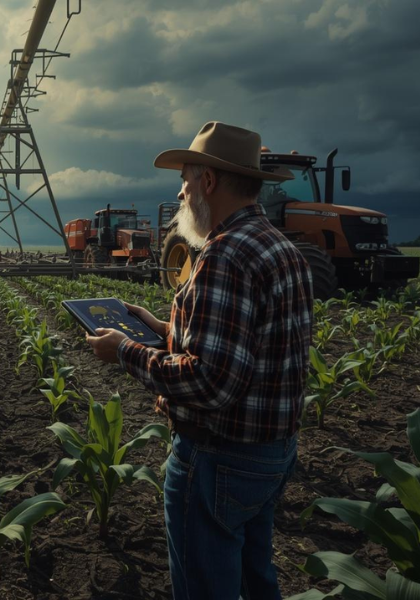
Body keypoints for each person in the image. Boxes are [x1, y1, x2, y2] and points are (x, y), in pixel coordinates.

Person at [85, 121, 313, 600]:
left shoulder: (224, 254)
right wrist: (161, 327)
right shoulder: (281, 248)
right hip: (271, 453)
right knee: (256, 579)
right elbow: (246, 345)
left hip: (220, 457)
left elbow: (211, 381)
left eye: (185, 180)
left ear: (208, 181)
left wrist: (123, 350)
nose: (181, 192)